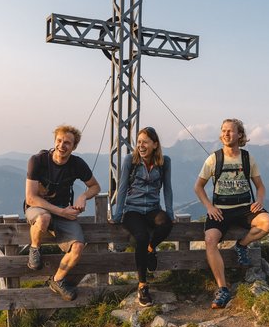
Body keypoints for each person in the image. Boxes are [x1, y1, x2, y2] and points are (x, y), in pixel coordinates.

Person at [194, 118, 269, 309]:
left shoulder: (247, 159)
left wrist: (259, 201)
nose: (225, 134)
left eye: (230, 131)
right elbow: (198, 187)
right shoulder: (214, 159)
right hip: (220, 210)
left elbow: (260, 187)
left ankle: (242, 245)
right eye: (223, 130)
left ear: (240, 135)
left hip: (245, 208)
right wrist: (209, 207)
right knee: (210, 240)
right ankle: (222, 289)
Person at [24, 125, 101, 301]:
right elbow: (30, 198)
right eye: (59, 140)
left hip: (63, 211)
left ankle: (57, 280)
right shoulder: (38, 161)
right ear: (54, 141)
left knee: (78, 247)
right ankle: (35, 248)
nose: (62, 145)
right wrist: (61, 211)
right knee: (44, 218)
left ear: (74, 147)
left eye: (67, 143)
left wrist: (83, 196)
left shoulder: (77, 164)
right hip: (39, 208)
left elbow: (95, 186)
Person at [111, 126, 175, 307]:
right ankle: (142, 285)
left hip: (153, 208)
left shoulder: (164, 162)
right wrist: (118, 214)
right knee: (140, 236)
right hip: (133, 210)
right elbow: (122, 188)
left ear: (155, 144)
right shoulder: (130, 161)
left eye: (145, 142)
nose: (141, 145)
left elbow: (167, 188)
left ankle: (150, 248)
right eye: (139, 142)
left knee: (166, 224)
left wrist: (169, 212)